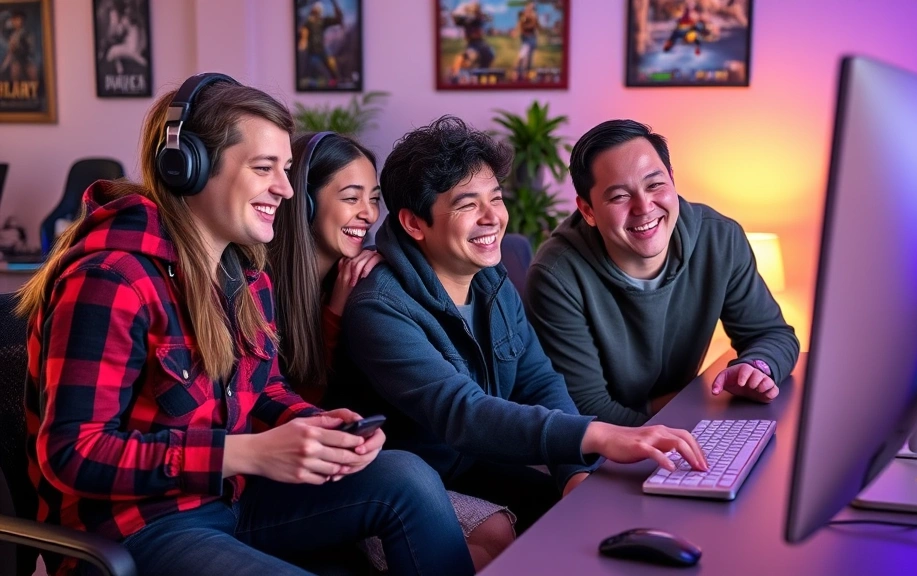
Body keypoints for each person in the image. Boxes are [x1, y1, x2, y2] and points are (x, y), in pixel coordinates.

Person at [16, 74, 473, 576]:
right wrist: (244, 454)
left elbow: (265, 389)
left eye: (286, 169)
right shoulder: (110, 278)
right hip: (135, 529)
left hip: (227, 502)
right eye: (263, 168)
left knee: (407, 476)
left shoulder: (247, 276)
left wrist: (316, 427)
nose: (284, 188)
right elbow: (73, 453)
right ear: (188, 168)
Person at [338, 116, 709, 534]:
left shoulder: (490, 279)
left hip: (476, 465)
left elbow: (538, 382)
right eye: (467, 205)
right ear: (414, 223)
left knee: (609, 508)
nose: (492, 217)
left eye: (495, 198)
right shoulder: (380, 307)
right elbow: (463, 413)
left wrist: (573, 473)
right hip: (403, 487)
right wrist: (598, 435)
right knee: (501, 534)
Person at [267, 131, 516, 571]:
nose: (368, 214)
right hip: (297, 468)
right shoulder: (264, 287)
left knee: (505, 526)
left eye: (373, 199)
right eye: (351, 198)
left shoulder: (363, 274)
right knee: (490, 536)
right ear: (302, 203)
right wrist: (334, 314)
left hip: (361, 457)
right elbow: (287, 402)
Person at [524, 119, 800, 427]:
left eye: (655, 185)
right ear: (588, 210)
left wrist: (756, 367)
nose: (644, 207)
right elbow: (587, 411)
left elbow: (771, 334)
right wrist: (683, 424)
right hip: (613, 443)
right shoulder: (556, 275)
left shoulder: (719, 239)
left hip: (677, 419)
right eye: (619, 196)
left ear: (672, 179)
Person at [514, 2, 539, 79]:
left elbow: (534, 26)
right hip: (526, 39)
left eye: (531, 8)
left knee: (527, 58)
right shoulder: (524, 16)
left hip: (531, 39)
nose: (528, 9)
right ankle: (517, 73)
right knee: (523, 57)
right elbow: (520, 24)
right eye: (528, 7)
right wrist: (517, 31)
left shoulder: (533, 17)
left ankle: (523, 74)